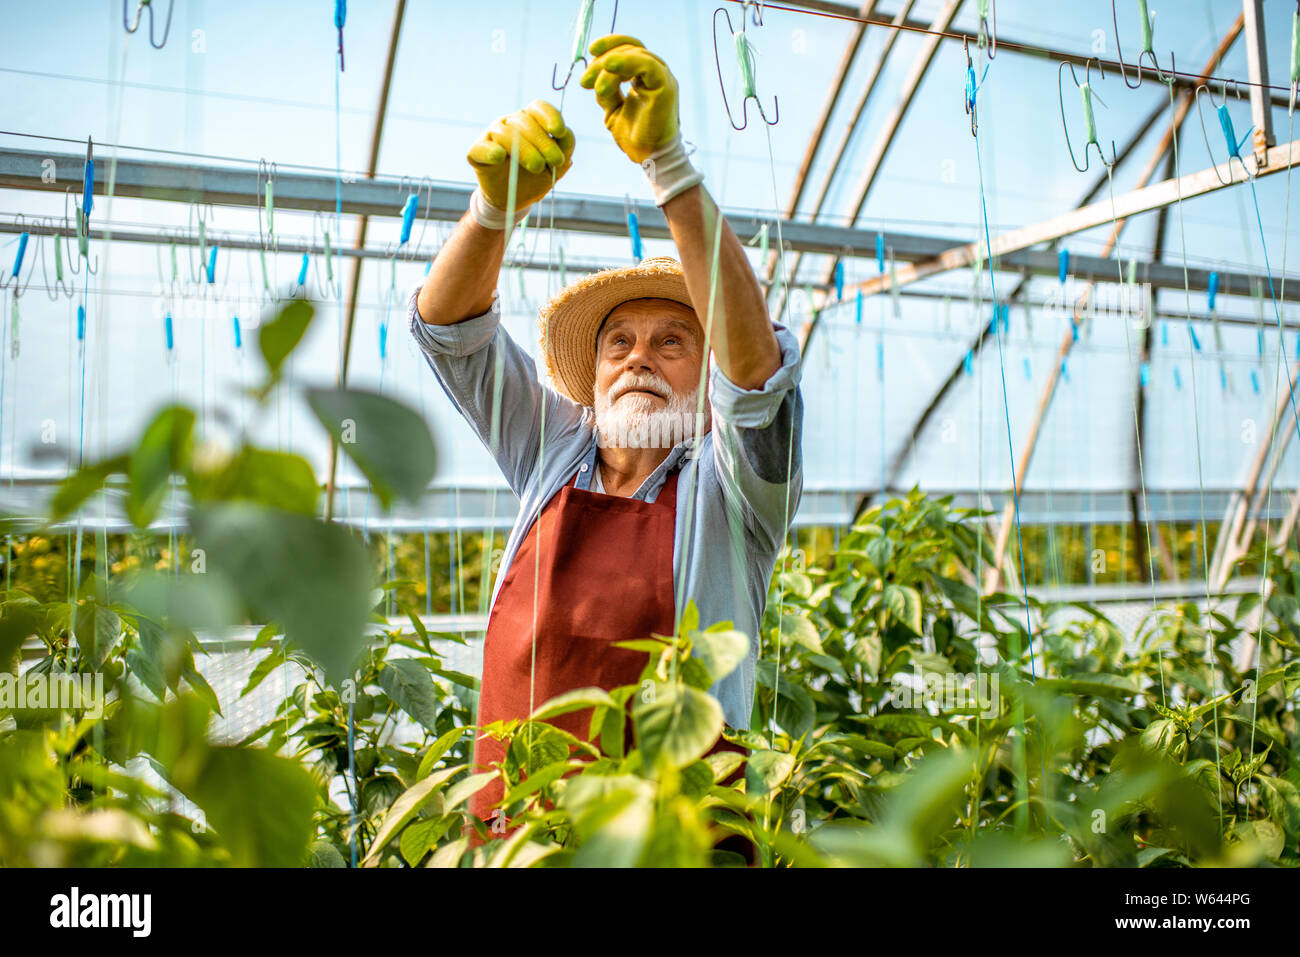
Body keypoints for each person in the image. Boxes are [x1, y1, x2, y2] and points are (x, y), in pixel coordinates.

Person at [407, 34, 803, 863]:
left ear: (708, 378)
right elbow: (449, 332)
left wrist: (669, 165)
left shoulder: (733, 489)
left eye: (672, 341)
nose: (638, 358)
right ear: (588, 378)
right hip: (520, 839)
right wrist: (493, 211)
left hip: (677, 843)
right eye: (618, 341)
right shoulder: (552, 448)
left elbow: (758, 378)